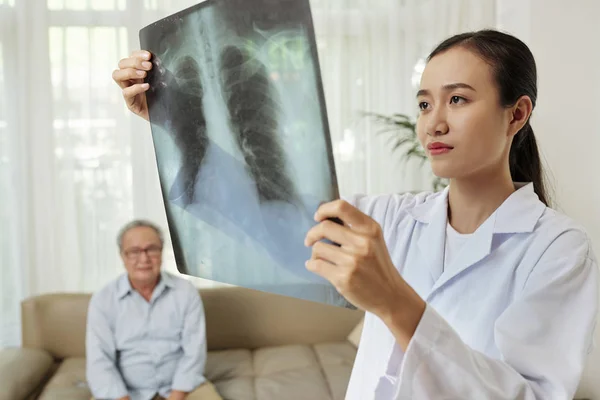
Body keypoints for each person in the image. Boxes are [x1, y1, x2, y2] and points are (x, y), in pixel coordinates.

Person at [113, 29, 598, 399]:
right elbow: (267, 218)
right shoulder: (387, 217)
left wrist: (396, 304)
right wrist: (176, 123)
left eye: (458, 99)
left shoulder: (559, 248)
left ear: (516, 114)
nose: (434, 122)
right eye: (425, 103)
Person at [86, 220, 222, 400]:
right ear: (122, 256)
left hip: (183, 388)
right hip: (125, 392)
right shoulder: (102, 300)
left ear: (161, 252)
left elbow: (194, 353)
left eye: (151, 249)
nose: (144, 258)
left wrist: (177, 396)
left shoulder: (186, 292)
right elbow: (100, 363)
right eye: (134, 251)